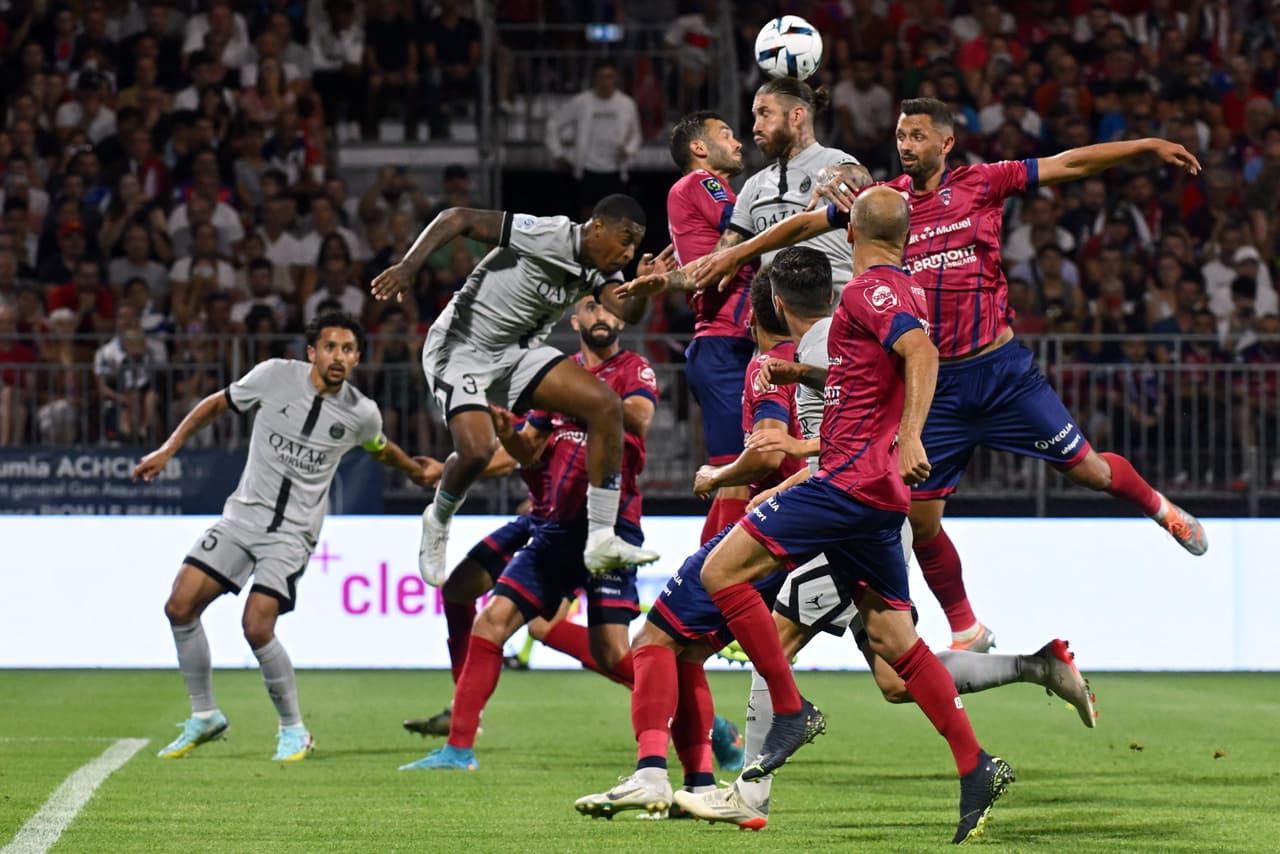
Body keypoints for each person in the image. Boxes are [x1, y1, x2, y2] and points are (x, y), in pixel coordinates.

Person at [691, 97, 1209, 651]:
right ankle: (967, 629)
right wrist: (736, 253)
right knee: (921, 518)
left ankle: (1162, 509)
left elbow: (1069, 164)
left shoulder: (981, 184)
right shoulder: (883, 204)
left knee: (1090, 471)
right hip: (936, 384)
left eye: (916, 136)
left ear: (945, 142)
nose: (905, 146)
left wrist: (1146, 146)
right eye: (900, 136)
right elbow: (804, 223)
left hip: (1003, 372)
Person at [694, 189, 1013, 845]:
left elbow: (921, 354)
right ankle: (975, 765)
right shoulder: (895, 289)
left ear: (852, 231)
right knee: (897, 644)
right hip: (874, 497)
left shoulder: (871, 291)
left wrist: (916, 436)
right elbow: (867, 376)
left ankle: (789, 711)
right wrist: (801, 371)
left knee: (721, 573)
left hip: (845, 487)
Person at [134, 312, 435, 761]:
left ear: (356, 359)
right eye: (330, 347)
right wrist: (168, 447)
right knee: (179, 606)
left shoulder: (361, 412)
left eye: (348, 349)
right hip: (240, 519)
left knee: (256, 626)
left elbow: (378, 447)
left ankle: (294, 729)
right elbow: (217, 404)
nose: (339, 357)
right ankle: (205, 716)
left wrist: (414, 469)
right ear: (311, 352)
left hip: (292, 534)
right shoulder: (274, 376)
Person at [398, 297, 660, 772]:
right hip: (551, 526)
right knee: (483, 613)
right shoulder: (554, 378)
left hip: (608, 527)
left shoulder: (633, 370)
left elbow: (637, 419)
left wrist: (590, 406)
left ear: (623, 318)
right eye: (591, 308)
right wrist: (506, 436)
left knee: (609, 652)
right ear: (575, 320)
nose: (602, 316)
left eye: (610, 309)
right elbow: (526, 450)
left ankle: (704, 725)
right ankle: (460, 743)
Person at [369, 195, 664, 586]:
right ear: (597, 227)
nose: (629, 252)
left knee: (605, 405)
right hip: (461, 347)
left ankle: (600, 538)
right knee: (477, 451)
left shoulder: (599, 271)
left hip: (517, 354)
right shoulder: (548, 234)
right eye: (625, 240)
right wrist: (408, 266)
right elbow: (457, 216)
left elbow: (626, 311)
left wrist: (644, 288)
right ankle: (437, 518)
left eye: (635, 245)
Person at [660, 111, 756, 543]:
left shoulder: (688, 193)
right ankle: (708, 585)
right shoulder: (703, 183)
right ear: (699, 149)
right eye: (726, 135)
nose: (737, 143)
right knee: (737, 473)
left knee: (746, 474)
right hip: (724, 345)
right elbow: (747, 224)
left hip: (730, 347)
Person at [544, 60, 641, 220]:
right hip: (587, 169)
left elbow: (636, 134)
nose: (606, 81)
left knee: (615, 217)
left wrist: (629, 150)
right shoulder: (582, 102)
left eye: (609, 77)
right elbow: (553, 123)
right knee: (587, 218)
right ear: (594, 79)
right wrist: (558, 153)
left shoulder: (626, 104)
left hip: (615, 169)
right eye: (601, 77)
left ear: (615, 78)